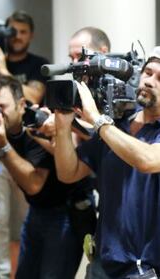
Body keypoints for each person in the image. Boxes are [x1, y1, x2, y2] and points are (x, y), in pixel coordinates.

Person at [0, 76, 83, 279]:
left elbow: (34, 184)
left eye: (1, 106)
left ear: (21, 105)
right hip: (36, 212)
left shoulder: (38, 126)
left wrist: (2, 146)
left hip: (64, 215)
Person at [53, 47, 160, 278]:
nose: (150, 81)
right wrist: (62, 127)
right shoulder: (117, 126)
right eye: (148, 72)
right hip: (103, 262)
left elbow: (148, 160)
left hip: (142, 269)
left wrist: (98, 120)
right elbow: (68, 173)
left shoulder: (108, 127)